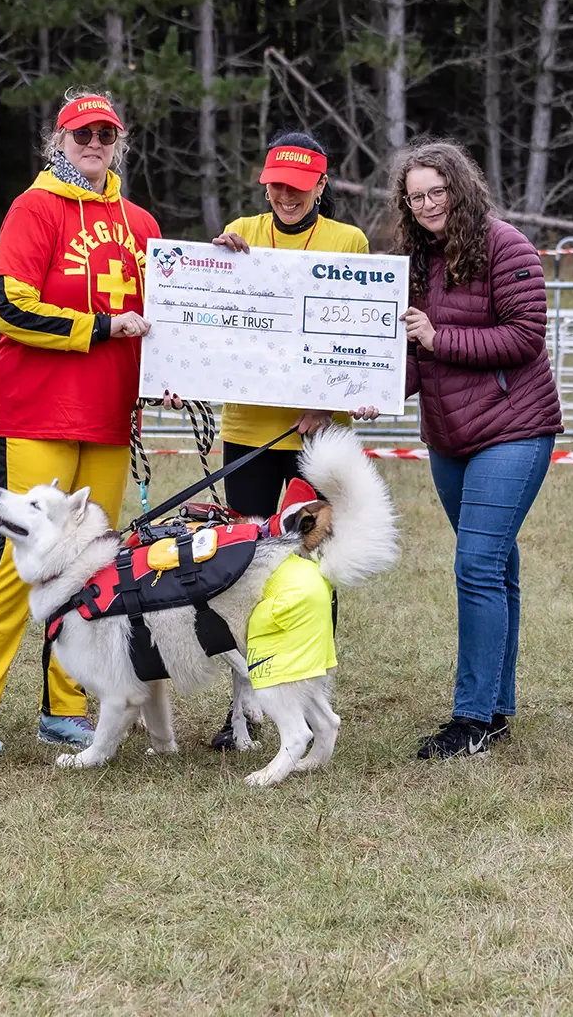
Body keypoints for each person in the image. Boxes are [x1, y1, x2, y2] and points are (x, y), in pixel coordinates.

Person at [0, 90, 162, 755]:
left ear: (118, 141)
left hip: (109, 415)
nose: (94, 142)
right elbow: (11, 305)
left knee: (94, 565)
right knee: (19, 561)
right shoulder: (34, 208)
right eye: (81, 132)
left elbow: (168, 312)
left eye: (105, 133)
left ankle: (65, 706)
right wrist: (99, 327)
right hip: (37, 408)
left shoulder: (141, 223)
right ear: (58, 140)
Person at [389, 139, 562, 760]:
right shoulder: (414, 261)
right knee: (497, 568)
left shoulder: (505, 245)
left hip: (513, 429)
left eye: (438, 191)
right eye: (417, 197)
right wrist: (369, 389)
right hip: (449, 436)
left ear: (461, 189)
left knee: (476, 565)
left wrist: (438, 337)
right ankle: (497, 706)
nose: (429, 204)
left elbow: (524, 337)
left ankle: (470, 719)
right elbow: (410, 356)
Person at [205, 130, 378, 749]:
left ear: (321, 187)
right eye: (277, 185)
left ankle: (309, 700)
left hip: (317, 438)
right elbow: (216, 320)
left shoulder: (347, 241)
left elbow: (361, 333)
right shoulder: (242, 230)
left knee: (310, 570)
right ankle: (243, 708)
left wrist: (325, 404)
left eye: (299, 188)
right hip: (249, 430)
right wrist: (214, 264)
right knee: (243, 568)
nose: (286, 197)